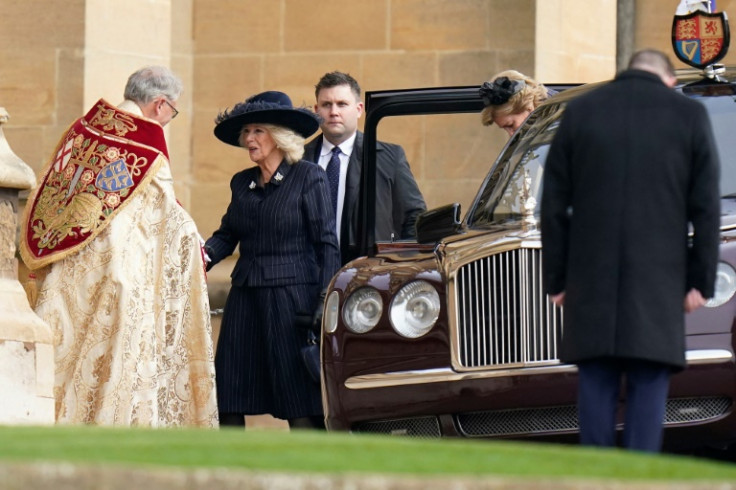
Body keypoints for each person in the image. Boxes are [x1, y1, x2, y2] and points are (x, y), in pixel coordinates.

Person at [541, 50, 720, 452]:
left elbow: (552, 205)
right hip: (659, 285)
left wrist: (558, 279)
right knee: (648, 395)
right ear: (669, 80)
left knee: (596, 390)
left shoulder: (582, 111)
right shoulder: (687, 115)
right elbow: (705, 208)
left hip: (590, 283)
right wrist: (699, 282)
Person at [19, 66, 218, 427]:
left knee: (67, 356)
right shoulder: (148, 140)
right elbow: (165, 212)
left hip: (65, 266)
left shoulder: (83, 129)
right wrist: (194, 240)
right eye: (173, 111)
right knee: (111, 364)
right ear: (159, 105)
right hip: (118, 271)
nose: (170, 119)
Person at [204, 91, 340, 429]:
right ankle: (230, 472)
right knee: (229, 390)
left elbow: (326, 243)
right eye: (247, 132)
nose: (249, 139)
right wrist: (198, 258)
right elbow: (227, 235)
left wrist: (325, 299)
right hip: (245, 296)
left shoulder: (308, 176)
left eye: (258, 131)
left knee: (297, 397)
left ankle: (311, 473)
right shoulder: (242, 182)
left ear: (278, 136)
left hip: (292, 299)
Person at [304, 71, 426, 265]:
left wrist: (398, 263)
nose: (334, 112)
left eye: (342, 104)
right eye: (327, 105)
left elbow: (415, 216)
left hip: (369, 274)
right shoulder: (298, 160)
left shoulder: (389, 157)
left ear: (359, 109)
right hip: (308, 275)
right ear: (316, 110)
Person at [480, 70, 553, 137]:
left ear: (528, 107)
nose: (511, 134)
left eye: (510, 125)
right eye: (505, 128)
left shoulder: (558, 125)